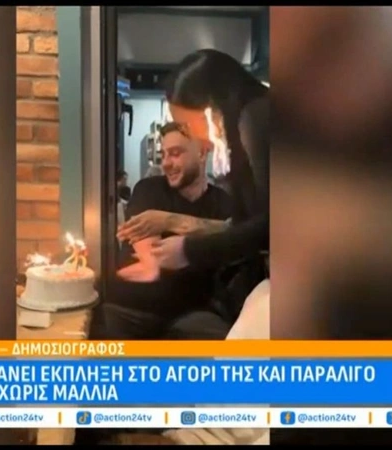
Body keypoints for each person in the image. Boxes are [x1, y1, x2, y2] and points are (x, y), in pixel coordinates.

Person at [122, 49, 270, 327]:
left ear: (210, 107)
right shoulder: (251, 121)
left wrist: (189, 250)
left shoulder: (256, 118)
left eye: (187, 125)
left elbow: (271, 226)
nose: (195, 134)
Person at [89, 121, 233, 341]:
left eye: (175, 153)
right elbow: (150, 256)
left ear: (203, 153)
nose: (165, 163)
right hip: (133, 310)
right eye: (163, 154)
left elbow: (236, 234)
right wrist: (205, 239)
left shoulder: (224, 202)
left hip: (194, 314)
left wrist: (167, 221)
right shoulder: (149, 189)